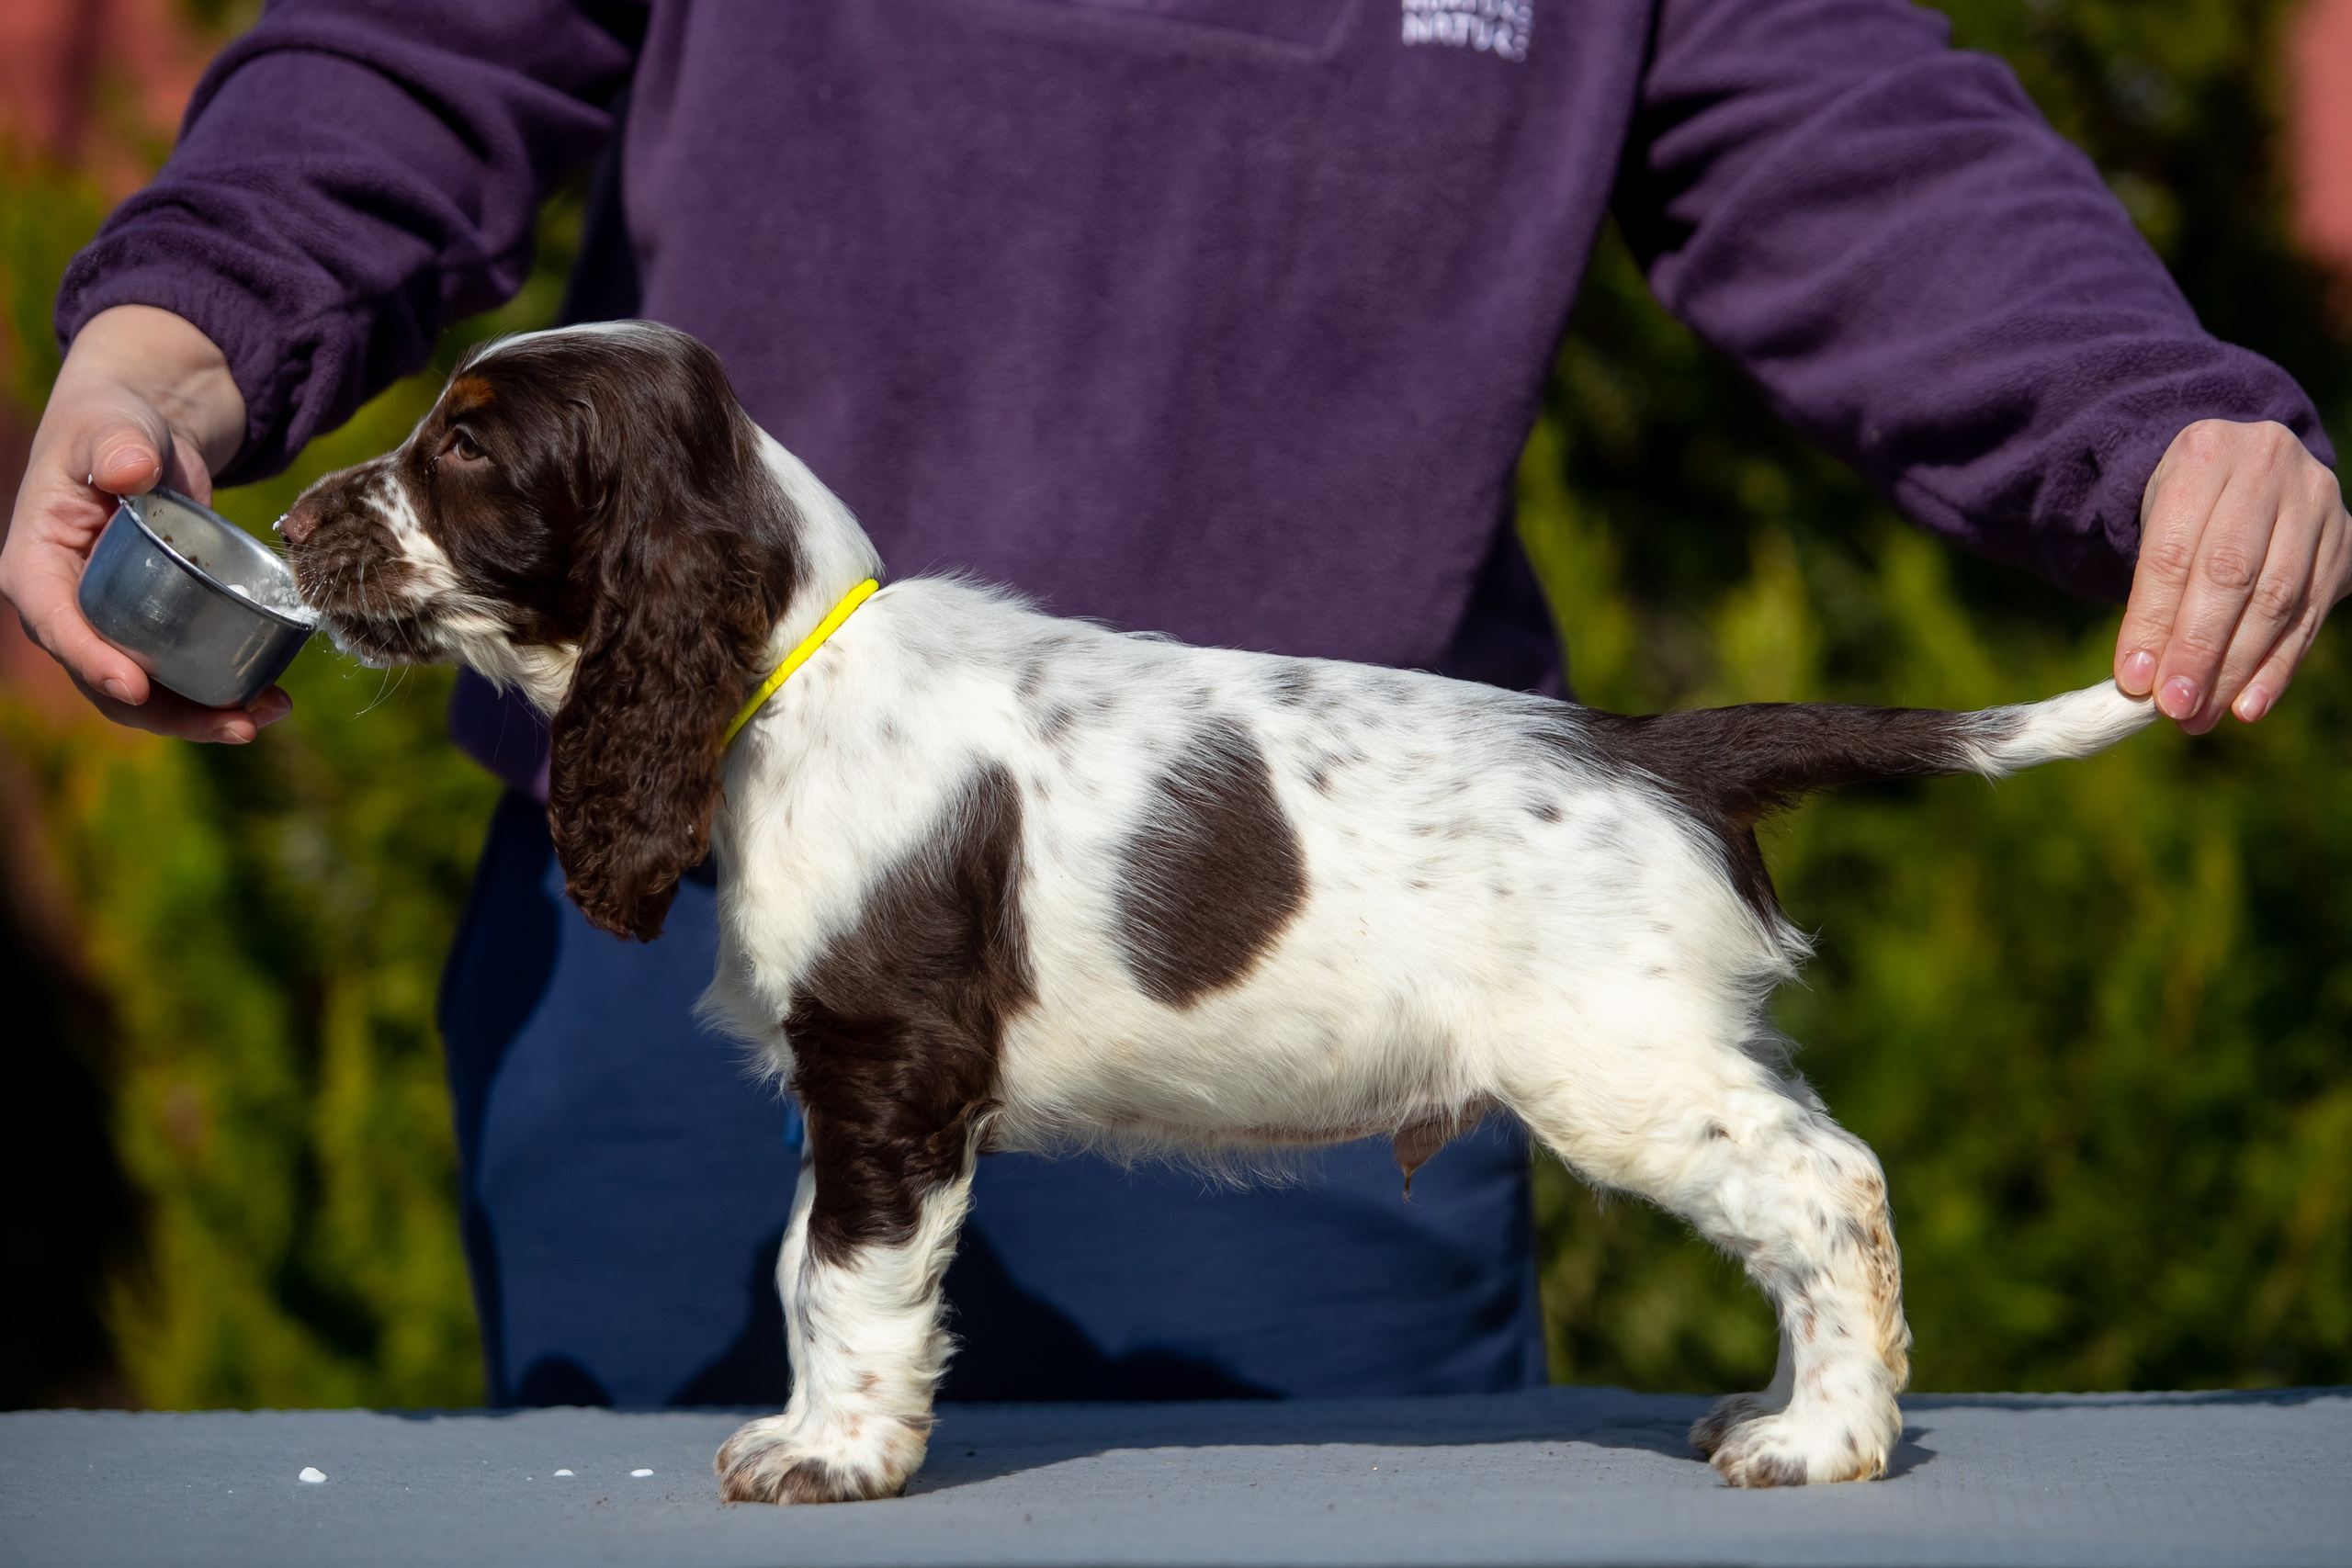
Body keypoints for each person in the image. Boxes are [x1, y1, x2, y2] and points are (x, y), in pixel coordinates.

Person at [6, 0, 2346, 1409]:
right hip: (684, 908)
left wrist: (2146, 421)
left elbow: (1840, 131)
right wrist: (175, 329)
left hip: (1312, 954)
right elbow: (418, 49)